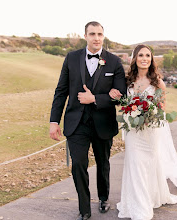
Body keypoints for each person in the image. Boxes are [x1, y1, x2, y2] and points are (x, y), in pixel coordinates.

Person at [109, 45, 177, 220]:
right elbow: (124, 102)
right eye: (141, 55)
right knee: (135, 165)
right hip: (133, 131)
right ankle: (140, 208)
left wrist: (149, 115)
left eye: (148, 56)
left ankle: (151, 197)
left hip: (151, 131)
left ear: (151, 59)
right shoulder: (127, 80)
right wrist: (119, 99)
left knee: (150, 165)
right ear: (134, 58)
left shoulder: (157, 82)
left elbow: (162, 108)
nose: (144, 58)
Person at [49, 21, 126, 220]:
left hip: (103, 122)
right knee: (78, 164)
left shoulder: (115, 62)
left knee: (103, 163)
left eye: (100, 34)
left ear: (104, 36)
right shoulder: (71, 58)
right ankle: (84, 208)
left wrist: (95, 99)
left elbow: (121, 95)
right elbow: (61, 91)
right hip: (77, 122)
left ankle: (103, 198)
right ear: (85, 36)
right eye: (92, 34)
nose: (96, 38)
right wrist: (54, 121)